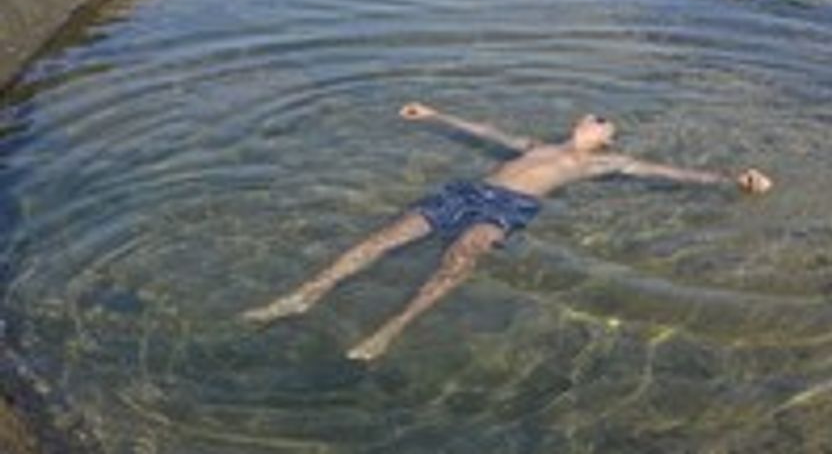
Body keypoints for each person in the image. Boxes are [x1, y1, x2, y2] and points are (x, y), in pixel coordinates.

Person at [242, 102, 774, 361]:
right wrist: (433, 114)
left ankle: (390, 331)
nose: (588, 117)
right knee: (380, 239)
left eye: (599, 119)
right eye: (591, 114)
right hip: (466, 192)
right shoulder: (537, 145)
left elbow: (669, 173)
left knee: (457, 263)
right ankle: (304, 295)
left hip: (509, 209)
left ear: (606, 139)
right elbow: (486, 130)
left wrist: (732, 179)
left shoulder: (605, 163)